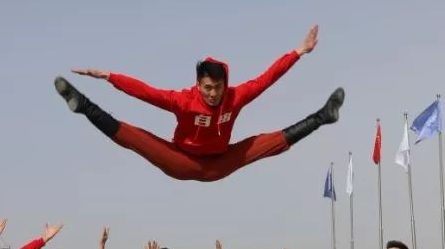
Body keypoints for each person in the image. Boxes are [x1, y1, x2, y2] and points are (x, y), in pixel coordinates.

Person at [54, 25, 344, 182]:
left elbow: (268, 78)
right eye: (207, 88)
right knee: (136, 137)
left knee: (264, 143)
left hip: (219, 163)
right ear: (198, 84)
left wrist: (299, 51)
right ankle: (83, 104)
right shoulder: (183, 101)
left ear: (225, 84)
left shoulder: (236, 96)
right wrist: (109, 76)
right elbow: (146, 92)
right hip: (181, 160)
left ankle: (323, 115)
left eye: (217, 88)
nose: (213, 94)